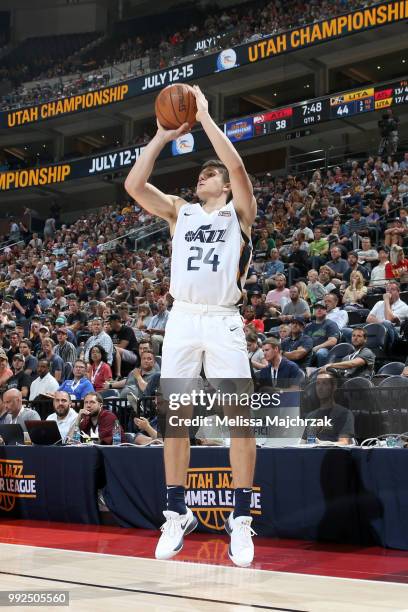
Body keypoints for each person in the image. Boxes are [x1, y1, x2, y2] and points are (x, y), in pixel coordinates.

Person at [125, 85, 257, 566]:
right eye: (200, 175)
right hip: (181, 319)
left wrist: (203, 117)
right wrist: (161, 136)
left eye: (207, 175)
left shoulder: (238, 212)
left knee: (239, 421)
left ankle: (240, 519)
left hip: (223, 320)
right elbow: (135, 187)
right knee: (175, 421)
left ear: (221, 186)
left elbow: (238, 168)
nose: (200, 178)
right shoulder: (179, 212)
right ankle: (175, 511)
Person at [301, 370, 354, 444]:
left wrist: (323, 443)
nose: (320, 387)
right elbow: (303, 443)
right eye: (318, 383)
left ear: (334, 387)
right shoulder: (310, 415)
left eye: (324, 383)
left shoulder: (345, 414)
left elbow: (344, 442)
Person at [366, 281, 408, 346]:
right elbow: (369, 319)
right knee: (347, 331)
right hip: (375, 331)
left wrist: (386, 301)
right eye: (387, 290)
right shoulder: (379, 303)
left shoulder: (404, 307)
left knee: (387, 323)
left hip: (392, 335)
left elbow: (388, 319)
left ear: (398, 292)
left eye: (392, 289)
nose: (389, 292)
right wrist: (381, 324)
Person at [304, 302, 340, 367]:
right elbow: (302, 340)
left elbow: (332, 341)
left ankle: (322, 372)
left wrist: (318, 347)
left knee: (321, 353)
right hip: (309, 350)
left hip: (325, 350)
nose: (319, 310)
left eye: (322, 308)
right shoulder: (308, 326)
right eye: (316, 308)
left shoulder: (331, 324)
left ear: (326, 311)